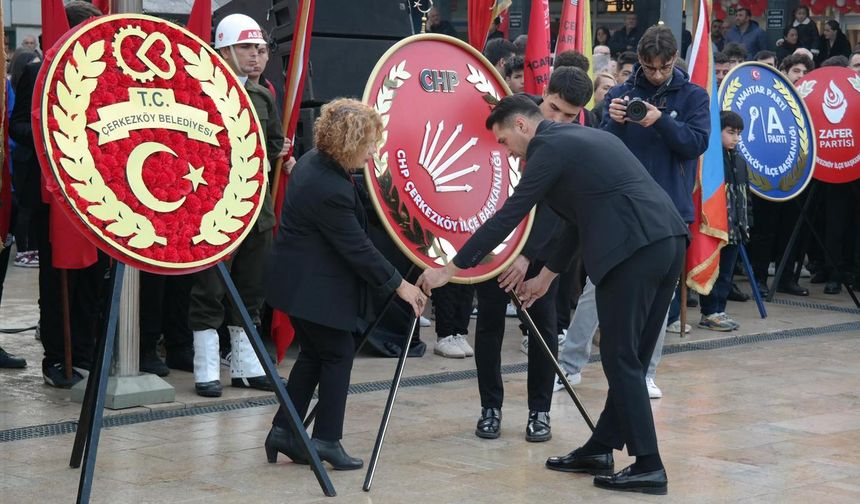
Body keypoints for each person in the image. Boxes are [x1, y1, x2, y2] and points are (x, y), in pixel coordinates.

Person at [417, 95, 688, 495]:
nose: (505, 151)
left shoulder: (547, 148)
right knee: (632, 356)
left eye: (504, 141)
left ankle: (649, 464)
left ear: (523, 126)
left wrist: (450, 269)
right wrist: (546, 276)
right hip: (667, 241)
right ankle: (600, 448)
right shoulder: (580, 140)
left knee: (620, 358)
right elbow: (575, 222)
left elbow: (511, 214)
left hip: (633, 249)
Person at [263, 98, 426, 470]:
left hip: (298, 285)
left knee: (315, 355)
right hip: (312, 288)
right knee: (337, 355)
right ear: (349, 143)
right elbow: (358, 248)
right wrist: (402, 286)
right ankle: (326, 440)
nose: (373, 152)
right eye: (369, 144)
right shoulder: (329, 188)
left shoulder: (312, 162)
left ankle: (285, 431)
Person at [470, 67, 593, 444]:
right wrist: (504, 253)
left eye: (570, 115)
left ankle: (540, 412)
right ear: (544, 95)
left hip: (544, 254)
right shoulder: (514, 123)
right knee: (489, 325)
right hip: (496, 248)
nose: (558, 119)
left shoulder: (575, 140)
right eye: (554, 108)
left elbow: (561, 211)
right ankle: (490, 407)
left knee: (544, 330)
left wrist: (526, 257)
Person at [601, 25, 709, 392]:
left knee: (660, 301)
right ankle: (572, 363)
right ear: (640, 62)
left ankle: (646, 373)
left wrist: (660, 120)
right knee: (599, 290)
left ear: (675, 60)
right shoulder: (619, 94)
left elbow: (696, 144)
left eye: (663, 68)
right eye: (649, 68)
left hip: (670, 209)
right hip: (622, 208)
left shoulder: (694, 96)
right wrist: (613, 121)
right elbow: (600, 150)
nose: (657, 75)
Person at [9, 0, 107, 389]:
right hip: (52, 195)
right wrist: (50, 139)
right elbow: (18, 126)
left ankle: (85, 352)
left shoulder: (103, 73)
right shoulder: (37, 71)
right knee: (58, 281)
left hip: (96, 193)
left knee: (93, 279)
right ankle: (58, 357)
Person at [188, 14, 287, 397]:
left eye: (260, 49)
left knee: (251, 288)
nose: (256, 56)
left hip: (255, 210)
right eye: (246, 48)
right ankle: (207, 369)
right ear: (224, 49)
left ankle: (245, 367)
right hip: (213, 209)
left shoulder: (262, 96)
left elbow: (273, 144)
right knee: (209, 289)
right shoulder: (201, 92)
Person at [699, 112, 751, 331]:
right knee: (713, 271)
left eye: (738, 134)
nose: (735, 138)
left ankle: (720, 309)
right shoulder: (711, 160)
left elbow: (745, 196)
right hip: (716, 228)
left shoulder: (739, 159)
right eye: (730, 133)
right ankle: (709, 311)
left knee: (727, 273)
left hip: (735, 228)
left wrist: (746, 224)